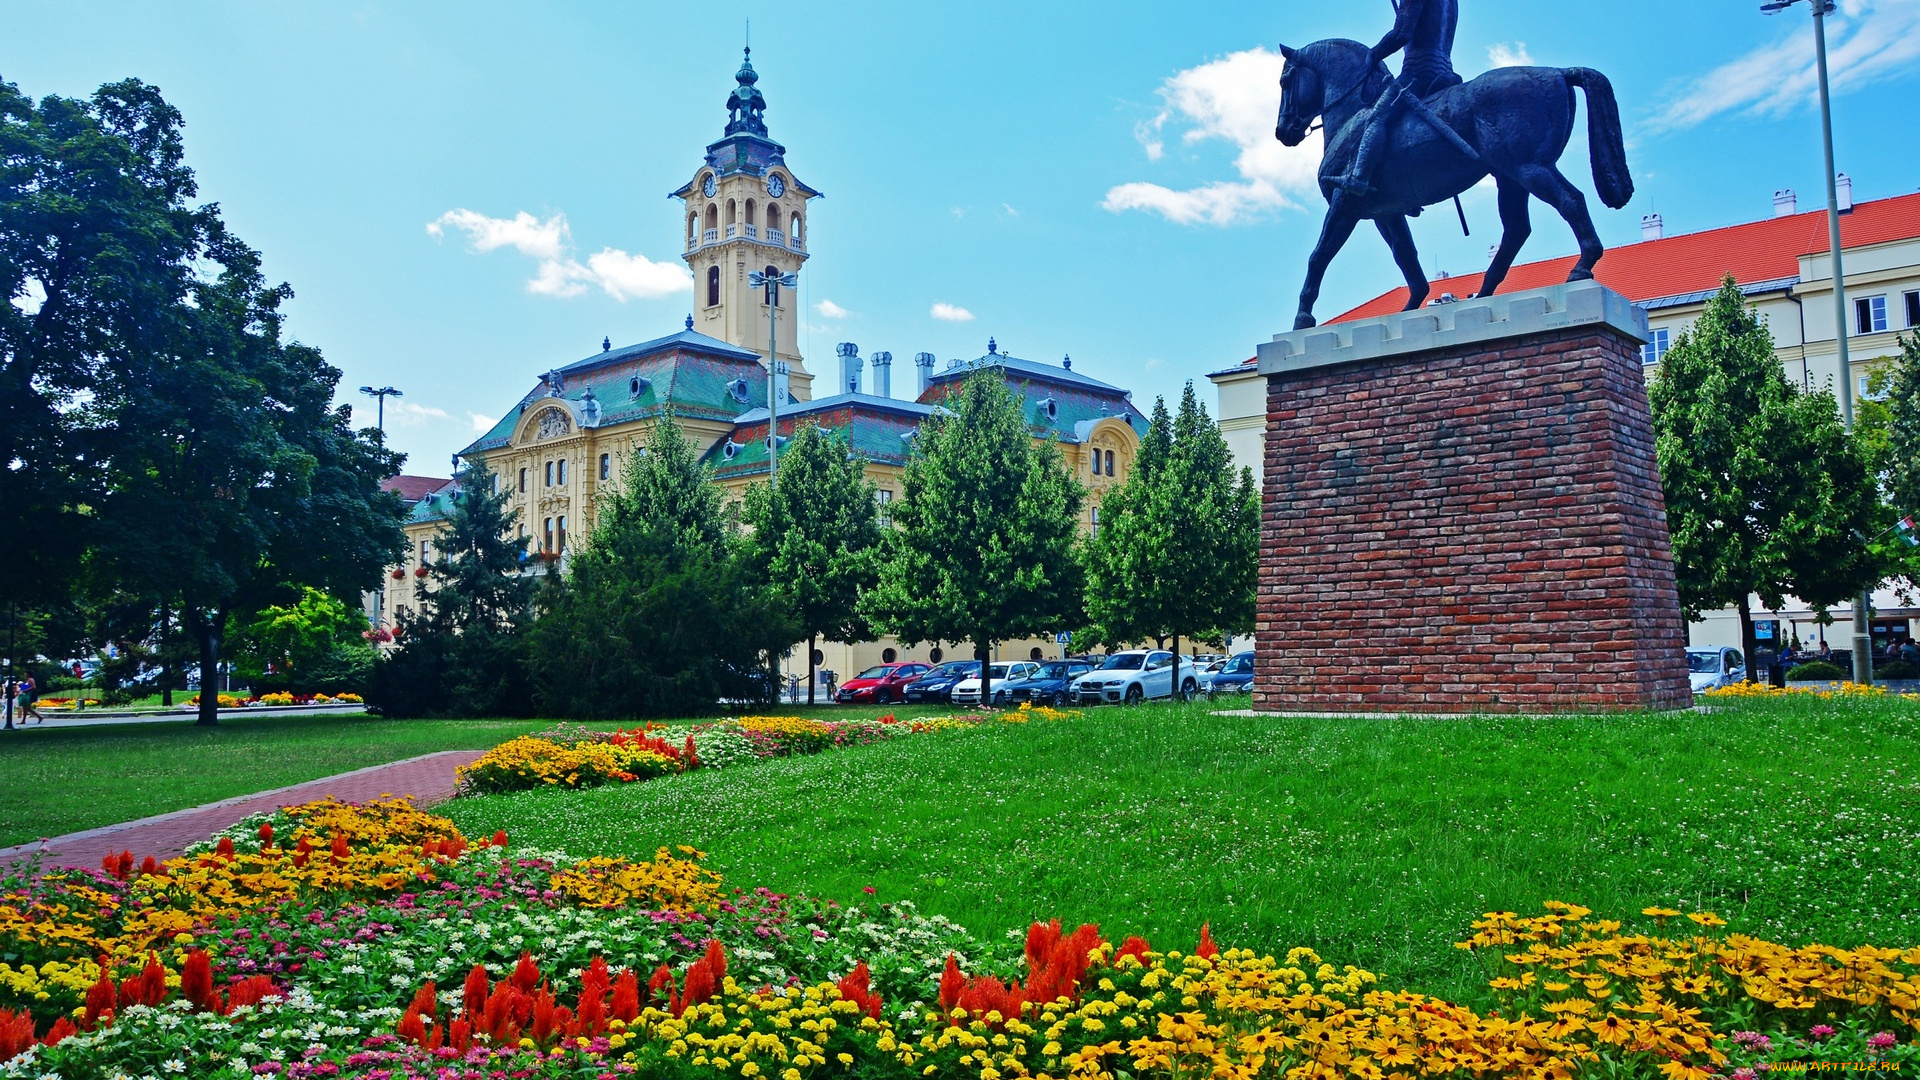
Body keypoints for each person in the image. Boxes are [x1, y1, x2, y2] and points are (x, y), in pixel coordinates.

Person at [1337, 0, 1464, 199]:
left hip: (1418, 72)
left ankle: (1359, 177)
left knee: (1377, 117)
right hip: (1446, 73)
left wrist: (1374, 54)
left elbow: (1401, 34)